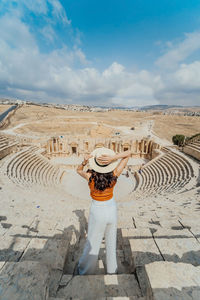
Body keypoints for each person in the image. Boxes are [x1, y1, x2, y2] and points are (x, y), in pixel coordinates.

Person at [76, 147, 131, 275]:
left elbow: (78, 170)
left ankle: (86, 271)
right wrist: (113, 158)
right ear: (109, 164)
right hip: (111, 209)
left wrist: (84, 162)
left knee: (93, 244)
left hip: (97, 210)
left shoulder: (90, 176)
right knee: (111, 242)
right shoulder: (115, 174)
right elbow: (128, 154)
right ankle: (112, 270)